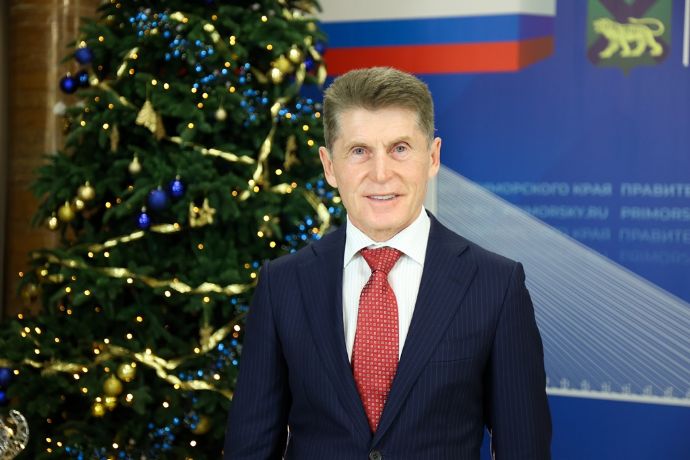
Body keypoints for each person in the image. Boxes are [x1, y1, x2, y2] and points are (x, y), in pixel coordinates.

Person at [224, 67, 551, 459]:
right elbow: (250, 448)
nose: (380, 174)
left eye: (400, 149)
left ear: (432, 158)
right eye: (359, 151)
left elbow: (524, 448)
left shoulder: (496, 285)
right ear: (329, 166)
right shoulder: (282, 284)